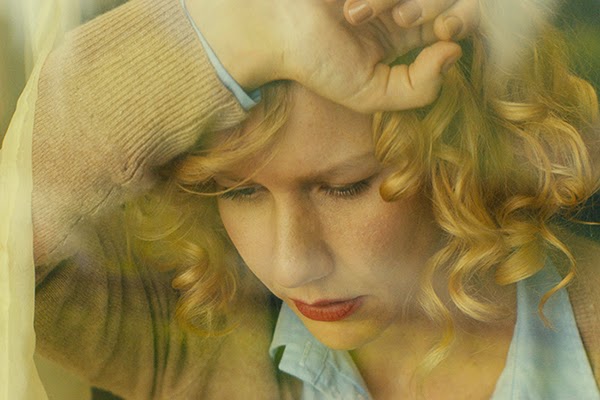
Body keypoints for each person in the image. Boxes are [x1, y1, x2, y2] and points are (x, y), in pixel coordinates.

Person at [30, 0, 599, 399]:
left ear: (462, 155)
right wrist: (242, 33)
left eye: (343, 187)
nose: (291, 265)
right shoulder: (196, 346)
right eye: (241, 191)